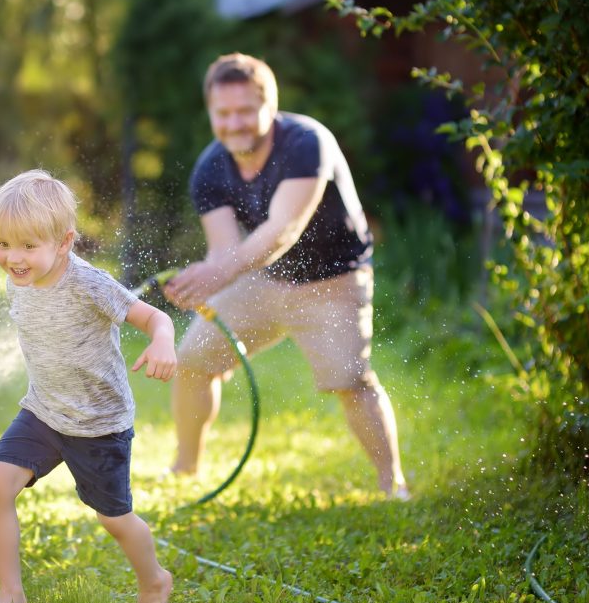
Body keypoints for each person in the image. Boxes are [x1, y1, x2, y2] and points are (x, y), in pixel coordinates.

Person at [161, 52, 409, 499]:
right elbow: (224, 250)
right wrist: (202, 280)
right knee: (193, 361)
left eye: (244, 111)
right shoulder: (210, 168)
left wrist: (220, 272)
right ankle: (184, 469)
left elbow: (283, 229)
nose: (233, 123)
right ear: (210, 112)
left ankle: (393, 486)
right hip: (261, 278)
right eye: (223, 113)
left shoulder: (306, 142)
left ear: (269, 107)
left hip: (333, 282)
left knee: (351, 382)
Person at [0, 169, 175, 603]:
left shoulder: (90, 284)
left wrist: (163, 342)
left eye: (29, 246)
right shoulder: (18, 277)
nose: (13, 258)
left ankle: (155, 580)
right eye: (3, 244)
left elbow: (155, 320)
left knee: (115, 520)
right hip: (44, 413)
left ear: (64, 243)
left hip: (98, 424)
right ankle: (11, 592)